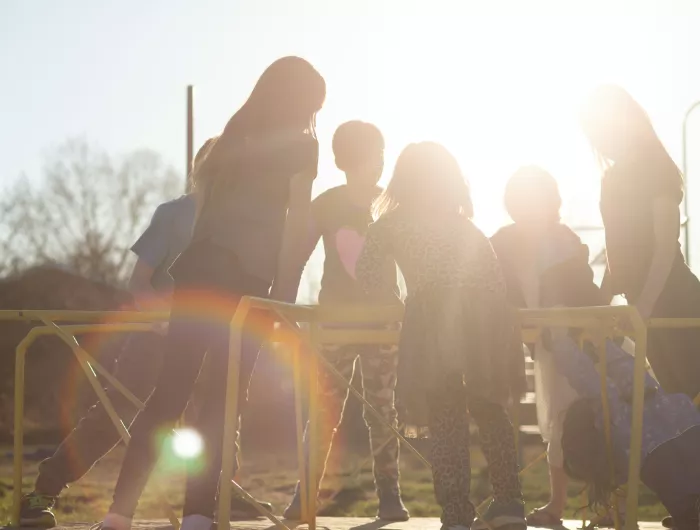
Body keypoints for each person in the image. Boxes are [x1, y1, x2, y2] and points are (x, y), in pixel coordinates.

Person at [95, 56, 325, 530]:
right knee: (224, 399)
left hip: (197, 276)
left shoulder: (232, 137)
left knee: (169, 394)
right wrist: (284, 291)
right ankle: (198, 514)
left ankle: (119, 514)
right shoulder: (303, 147)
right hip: (244, 283)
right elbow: (297, 221)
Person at [18, 138, 274, 528]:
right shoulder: (174, 214)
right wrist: (161, 318)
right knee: (115, 413)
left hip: (215, 339)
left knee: (221, 416)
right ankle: (43, 492)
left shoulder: (238, 223)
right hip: (157, 338)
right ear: (200, 169)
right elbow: (139, 281)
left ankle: (220, 494)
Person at [355, 142, 527, 530]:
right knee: (491, 409)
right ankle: (510, 503)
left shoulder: (392, 224)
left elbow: (366, 275)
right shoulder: (466, 227)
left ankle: (456, 512)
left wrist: (395, 300)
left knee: (446, 416)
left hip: (433, 321)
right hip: (485, 319)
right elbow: (495, 280)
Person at [491, 166, 631, 529]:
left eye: (535, 201)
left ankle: (611, 505)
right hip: (545, 343)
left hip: (578, 342)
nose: (529, 210)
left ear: (551, 203)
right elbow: (496, 290)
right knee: (556, 420)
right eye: (521, 203)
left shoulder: (564, 239)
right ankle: (558, 505)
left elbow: (583, 292)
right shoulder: (502, 243)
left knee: (592, 418)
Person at [282, 121, 408, 522]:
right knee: (324, 409)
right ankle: (305, 495)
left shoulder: (392, 204)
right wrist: (284, 305)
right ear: (346, 160)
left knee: (383, 409)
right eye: (375, 154)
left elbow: (412, 261)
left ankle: (390, 495)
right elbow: (298, 253)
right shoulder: (328, 204)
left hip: (383, 322)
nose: (380, 163)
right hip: (335, 322)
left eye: (383, 154)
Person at [580, 84, 700, 400]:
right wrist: (602, 305)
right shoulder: (610, 180)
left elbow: (665, 246)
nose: (600, 141)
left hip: (674, 298)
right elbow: (614, 250)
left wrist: (646, 303)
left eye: (603, 130)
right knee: (681, 401)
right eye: (594, 134)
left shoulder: (656, 169)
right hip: (643, 307)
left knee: (691, 391)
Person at [557, 332, 700, 530]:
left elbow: (591, 385)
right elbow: (627, 370)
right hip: (690, 429)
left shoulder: (625, 433)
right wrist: (600, 341)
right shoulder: (654, 399)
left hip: (689, 510)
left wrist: (558, 338)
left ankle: (688, 517)